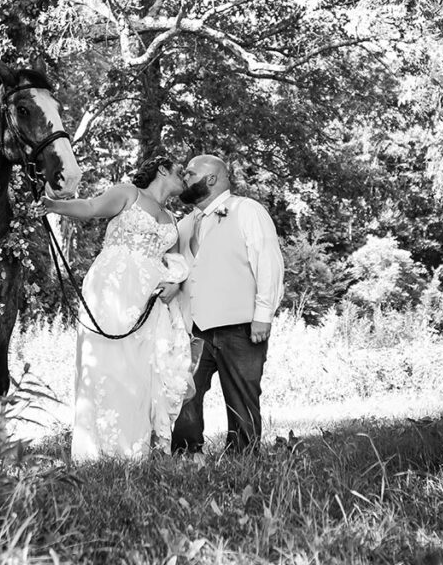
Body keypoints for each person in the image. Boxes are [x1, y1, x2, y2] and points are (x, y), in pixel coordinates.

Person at [43, 155, 194, 462]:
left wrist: (176, 283)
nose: (186, 178)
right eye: (182, 172)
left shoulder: (172, 219)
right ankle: (100, 451)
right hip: (113, 287)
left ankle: (135, 451)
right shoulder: (129, 193)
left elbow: (178, 260)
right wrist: (51, 205)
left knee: (142, 370)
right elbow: (89, 208)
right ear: (162, 168)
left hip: (150, 299)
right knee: (109, 366)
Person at [171, 154, 284, 456]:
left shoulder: (247, 210)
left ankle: (243, 458)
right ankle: (187, 455)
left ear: (211, 178)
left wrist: (263, 315)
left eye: (190, 173)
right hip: (194, 329)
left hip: (241, 327)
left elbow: (269, 264)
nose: (184, 178)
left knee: (242, 399)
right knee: (185, 395)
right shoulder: (183, 224)